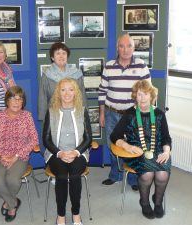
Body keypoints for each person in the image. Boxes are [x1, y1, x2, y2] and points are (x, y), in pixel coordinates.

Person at [110, 80, 171, 219]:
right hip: (136, 152)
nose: (142, 98)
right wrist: (127, 146)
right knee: (148, 174)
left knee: (162, 174)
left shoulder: (159, 114)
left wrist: (166, 151)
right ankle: (144, 202)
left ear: (151, 96)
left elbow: (167, 138)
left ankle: (158, 201)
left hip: (157, 151)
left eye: (145, 94)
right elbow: (115, 135)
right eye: (139, 94)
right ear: (135, 96)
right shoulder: (130, 114)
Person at [98, 33, 151, 190]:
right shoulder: (109, 66)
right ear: (117, 48)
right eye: (122, 46)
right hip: (111, 113)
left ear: (134, 48)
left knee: (133, 144)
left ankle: (133, 179)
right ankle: (116, 174)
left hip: (133, 115)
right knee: (112, 144)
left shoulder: (141, 66)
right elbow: (102, 92)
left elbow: (148, 92)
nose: (125, 50)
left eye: (129, 46)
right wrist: (101, 114)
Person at [0, 86, 39, 222]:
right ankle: (13, 202)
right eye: (13, 98)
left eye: (20, 99)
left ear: (23, 102)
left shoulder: (27, 116)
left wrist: (15, 156)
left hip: (19, 156)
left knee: (13, 180)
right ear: (7, 101)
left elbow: (34, 139)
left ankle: (8, 205)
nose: (17, 102)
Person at [42, 78, 92, 225]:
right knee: (62, 177)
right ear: (58, 93)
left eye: (71, 89)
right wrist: (60, 153)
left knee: (75, 176)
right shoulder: (51, 112)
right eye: (63, 89)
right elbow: (46, 139)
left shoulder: (82, 111)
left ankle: (76, 214)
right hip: (56, 153)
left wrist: (76, 152)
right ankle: (61, 216)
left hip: (78, 153)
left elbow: (89, 138)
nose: (67, 93)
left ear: (76, 92)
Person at [38, 42, 87, 121]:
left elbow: (82, 96)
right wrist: (44, 118)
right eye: (58, 53)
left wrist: (85, 114)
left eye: (64, 53)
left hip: (74, 114)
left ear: (67, 56)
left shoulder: (76, 73)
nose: (61, 56)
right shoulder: (47, 74)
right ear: (52, 57)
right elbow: (42, 98)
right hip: (55, 115)